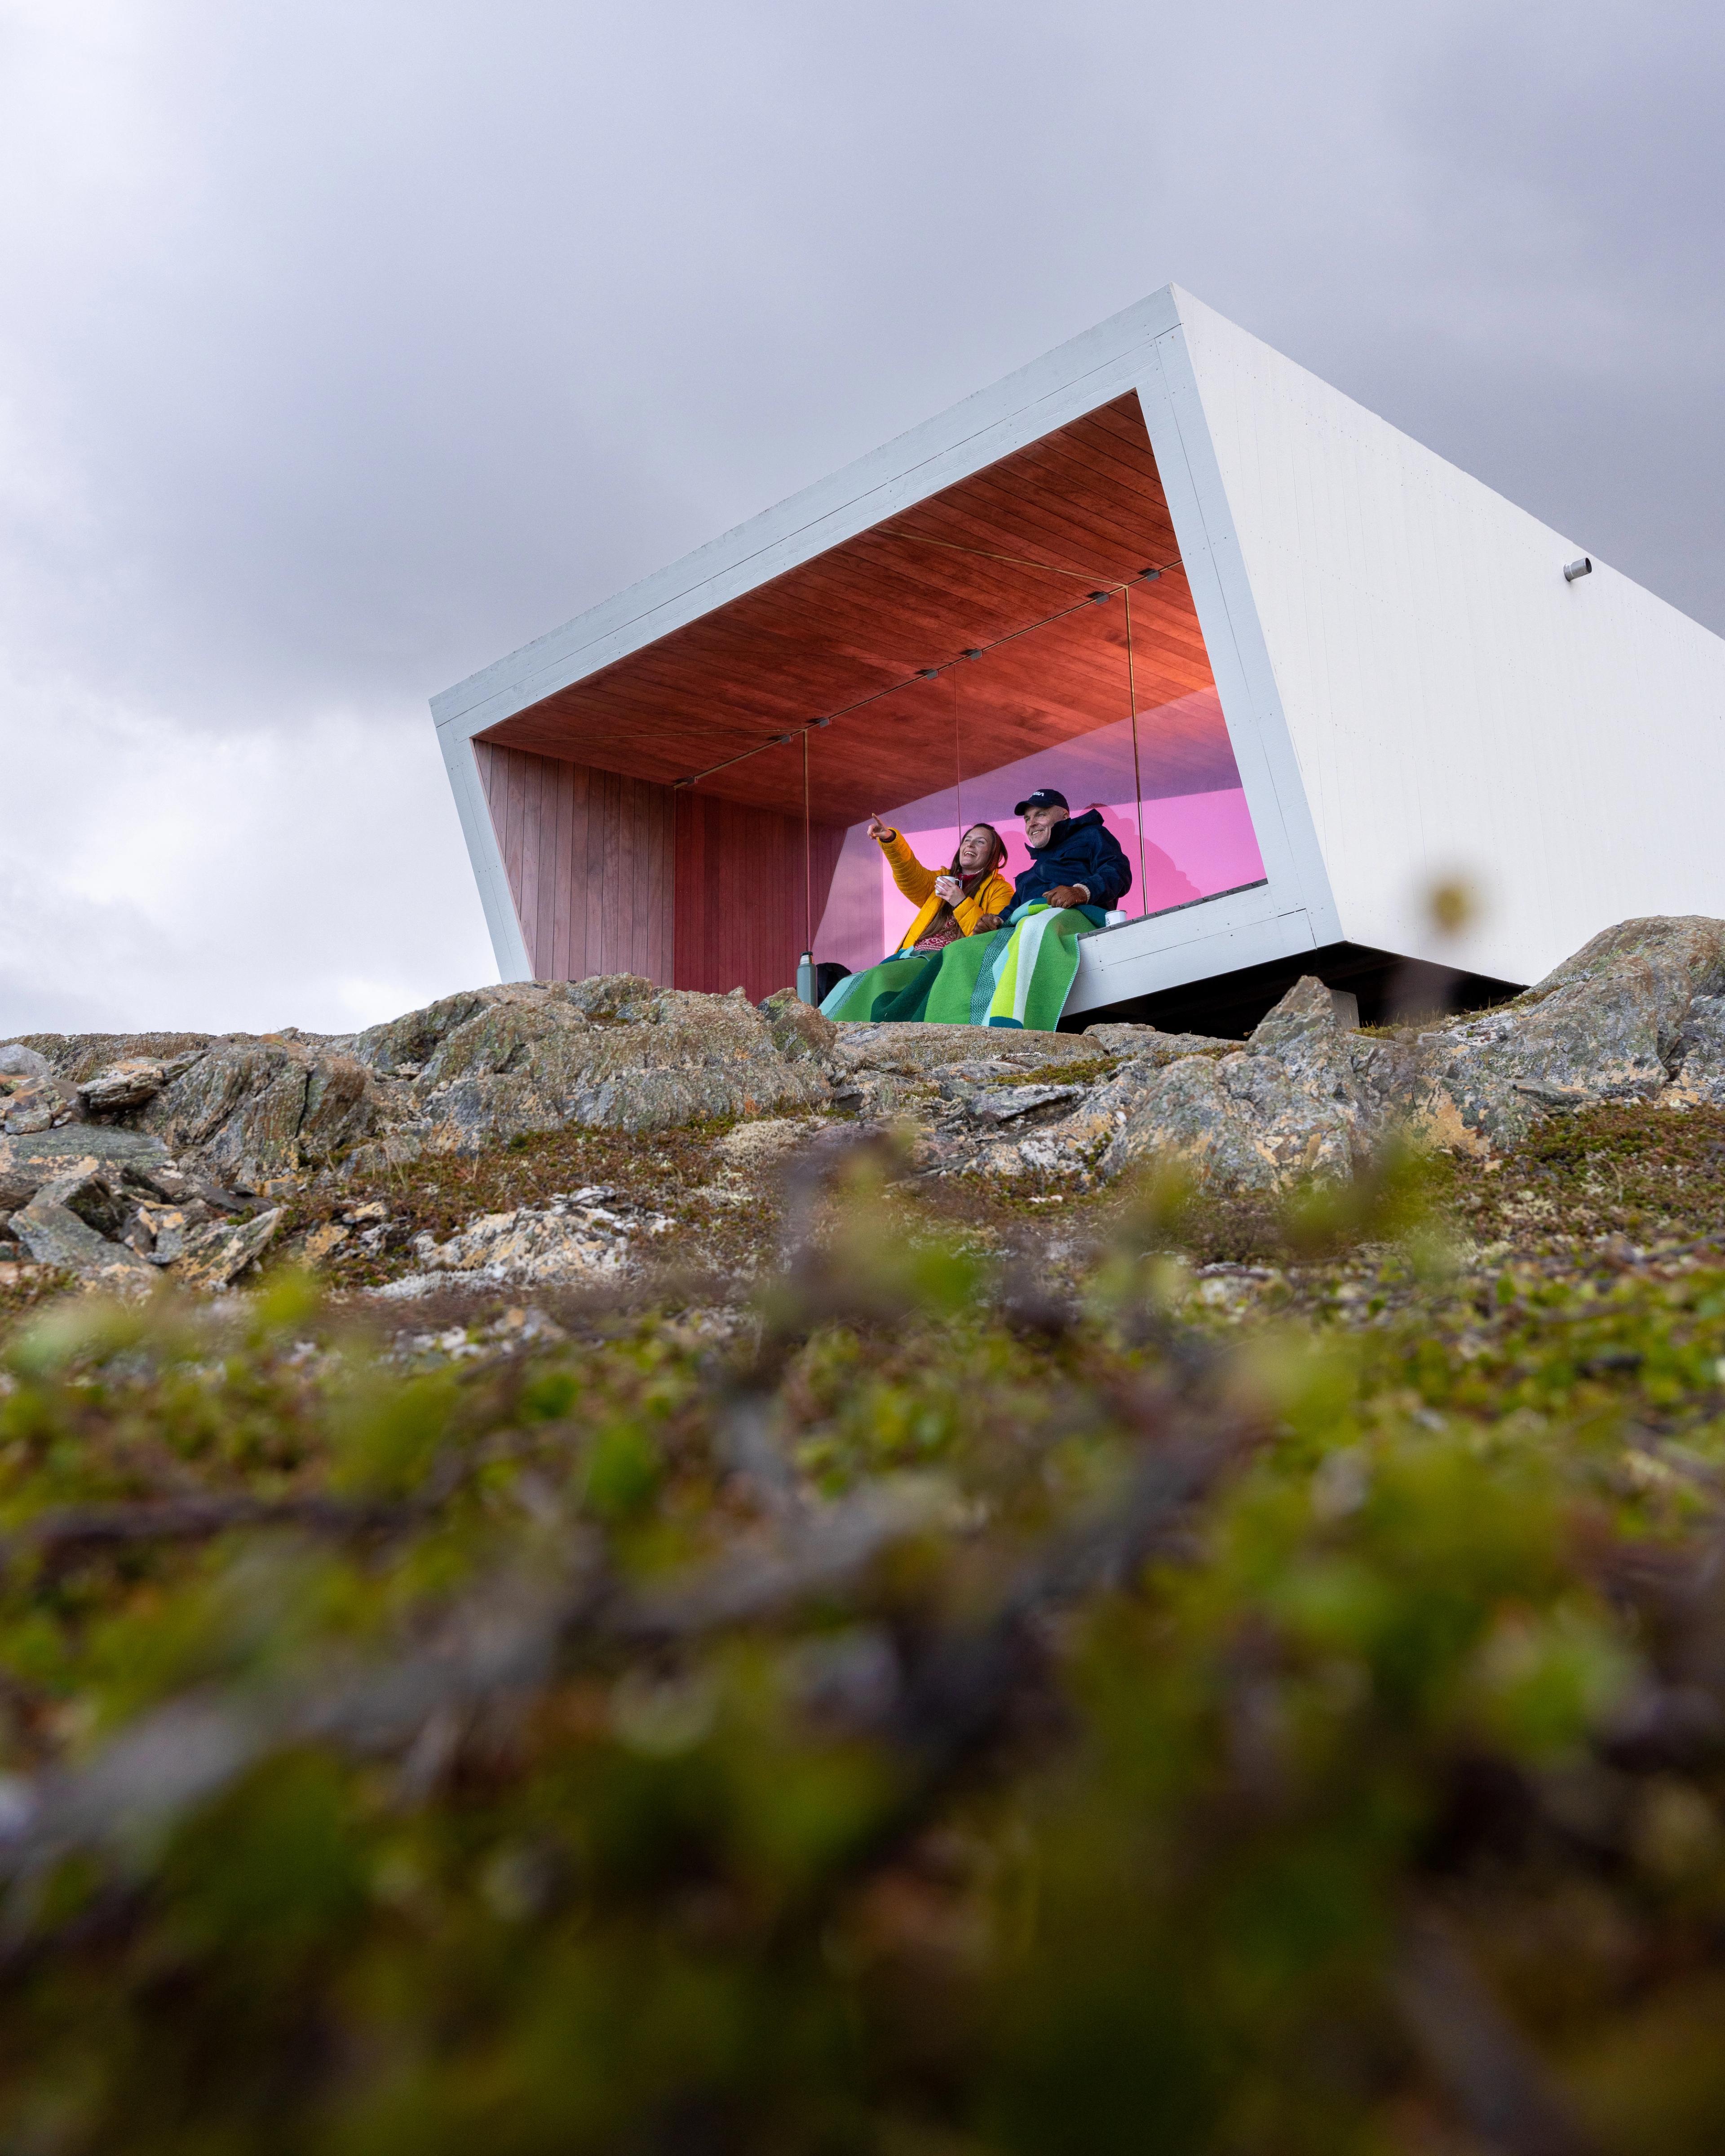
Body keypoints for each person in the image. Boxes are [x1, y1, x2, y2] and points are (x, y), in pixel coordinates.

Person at [975, 786, 1131, 928]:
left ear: (1064, 816)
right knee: (961, 949)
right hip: (1030, 926)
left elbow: (1118, 872)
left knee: (1034, 926)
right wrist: (996, 921)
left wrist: (1082, 892)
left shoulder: (1092, 835)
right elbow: (1013, 909)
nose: (1032, 824)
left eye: (1040, 815)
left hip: (1080, 922)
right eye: (1027, 819)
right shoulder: (1031, 874)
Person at [866, 816, 1016, 954]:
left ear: (993, 854)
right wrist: (890, 839)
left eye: (980, 842)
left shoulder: (1001, 890)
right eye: (967, 840)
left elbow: (994, 938)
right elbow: (908, 873)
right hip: (913, 954)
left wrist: (960, 902)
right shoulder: (941, 878)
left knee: (881, 977)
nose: (970, 845)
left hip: (950, 962)